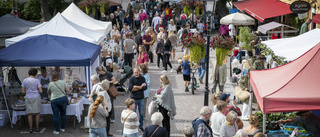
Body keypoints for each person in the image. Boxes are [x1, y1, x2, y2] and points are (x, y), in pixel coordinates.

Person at [21, 68, 43, 133]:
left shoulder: (25, 80)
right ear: (35, 74)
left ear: (29, 73)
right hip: (36, 97)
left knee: (29, 113)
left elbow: (22, 92)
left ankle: (30, 128)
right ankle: (37, 128)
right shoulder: (37, 80)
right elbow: (41, 91)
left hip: (28, 97)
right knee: (37, 113)